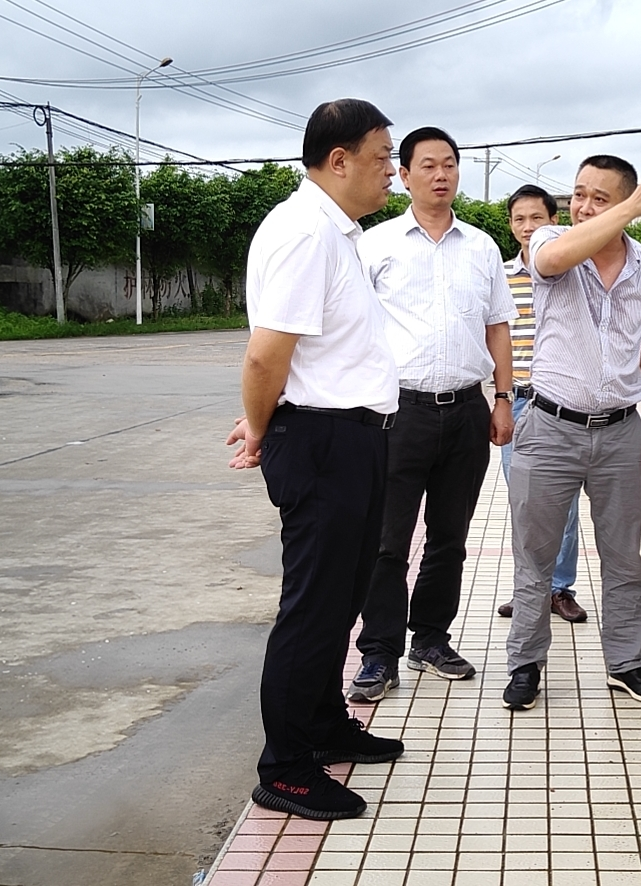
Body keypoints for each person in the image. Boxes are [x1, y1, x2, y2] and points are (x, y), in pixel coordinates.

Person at [225, 98, 405, 821]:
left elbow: (312, 355)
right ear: (339, 160)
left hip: (351, 436)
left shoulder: (337, 232)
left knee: (341, 600)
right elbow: (266, 354)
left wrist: (269, 416)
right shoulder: (305, 232)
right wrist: (262, 426)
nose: (391, 171)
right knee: (312, 609)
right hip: (324, 441)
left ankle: (326, 725)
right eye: (382, 157)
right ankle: (287, 768)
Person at [501, 155, 641, 711]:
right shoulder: (551, 241)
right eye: (579, 194)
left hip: (620, 430)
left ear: (624, 203)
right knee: (535, 555)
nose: (582, 206)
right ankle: (525, 663)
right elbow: (552, 259)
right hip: (549, 427)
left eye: (599, 198)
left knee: (624, 556)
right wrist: (629, 208)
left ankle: (626, 663)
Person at [348, 126, 516, 703]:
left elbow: (498, 326)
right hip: (396, 412)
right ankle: (378, 653)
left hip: (466, 410)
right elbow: (351, 328)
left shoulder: (482, 247)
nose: (441, 174)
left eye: (449, 164)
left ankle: (431, 640)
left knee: (450, 538)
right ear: (404, 175)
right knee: (386, 540)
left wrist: (502, 398)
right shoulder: (375, 245)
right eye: (428, 165)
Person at [495, 184, 587, 625]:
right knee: (524, 503)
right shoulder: (501, 276)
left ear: (554, 220)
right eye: (519, 219)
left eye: (536, 218)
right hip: (518, 402)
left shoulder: (575, 269)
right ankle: (529, 589)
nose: (528, 227)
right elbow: (493, 336)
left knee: (564, 503)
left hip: (562, 404)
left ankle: (559, 587)